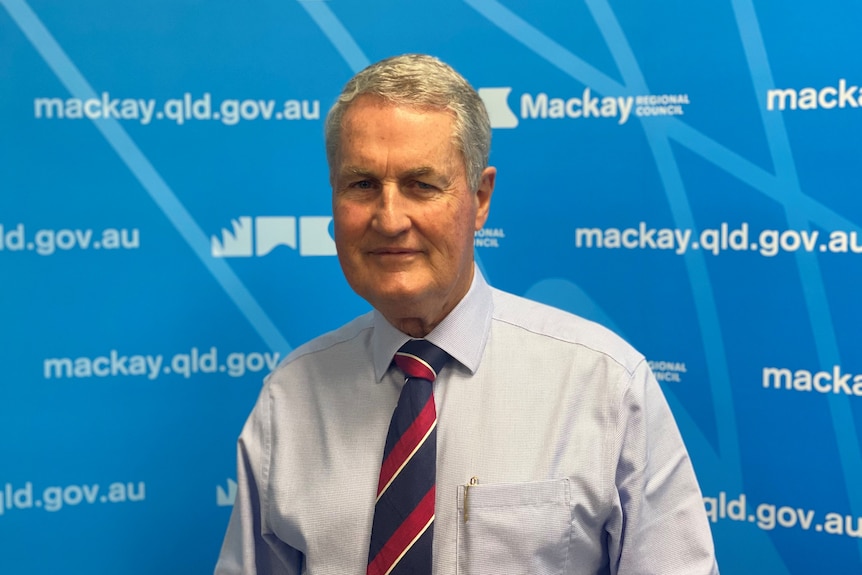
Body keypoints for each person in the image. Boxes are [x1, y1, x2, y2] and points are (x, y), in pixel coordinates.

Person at [215, 53, 719, 575]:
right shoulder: (289, 398)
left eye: (421, 184)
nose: (389, 219)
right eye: (362, 185)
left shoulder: (605, 386)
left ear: (480, 199)